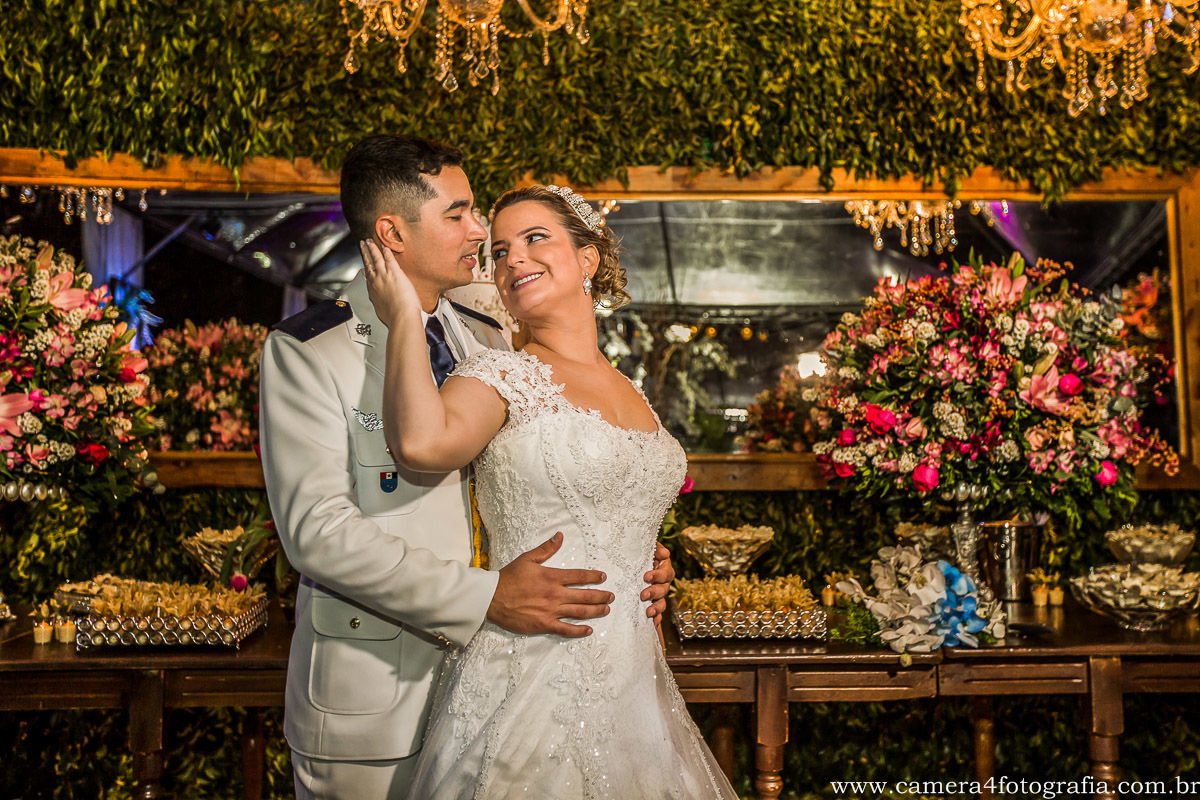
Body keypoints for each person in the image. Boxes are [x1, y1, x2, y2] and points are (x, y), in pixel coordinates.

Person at [258, 135, 676, 799]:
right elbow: (318, 533)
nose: (480, 233)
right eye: (459, 214)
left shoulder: (488, 334)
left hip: (519, 676)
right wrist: (486, 597)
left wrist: (624, 547)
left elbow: (546, 466)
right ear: (393, 232)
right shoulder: (310, 351)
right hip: (379, 695)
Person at [361, 184, 737, 798]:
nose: (513, 258)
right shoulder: (500, 373)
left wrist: (646, 557)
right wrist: (404, 314)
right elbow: (420, 445)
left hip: (637, 682)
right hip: (532, 668)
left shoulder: (631, 388)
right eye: (500, 251)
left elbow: (613, 505)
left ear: (588, 258)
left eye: (535, 239)